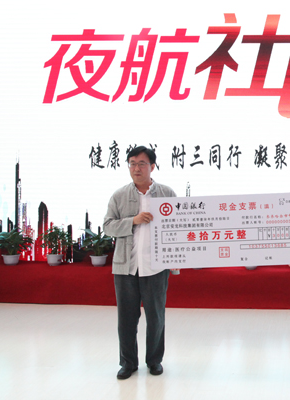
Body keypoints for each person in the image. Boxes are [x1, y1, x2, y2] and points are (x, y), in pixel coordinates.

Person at [103, 146, 176, 380]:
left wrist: (176, 259)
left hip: (155, 266)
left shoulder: (166, 193)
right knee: (126, 319)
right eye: (132, 163)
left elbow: (178, 227)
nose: (136, 168)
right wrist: (133, 221)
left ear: (152, 166)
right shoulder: (119, 195)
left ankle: (154, 361)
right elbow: (107, 226)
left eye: (141, 163)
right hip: (126, 267)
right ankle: (128, 363)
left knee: (156, 317)